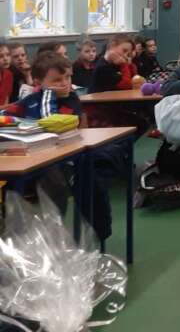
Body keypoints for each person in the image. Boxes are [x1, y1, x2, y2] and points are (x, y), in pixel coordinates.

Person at [4, 52, 126, 241]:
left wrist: (48, 93)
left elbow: (52, 122)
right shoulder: (32, 99)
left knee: (60, 182)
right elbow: (9, 114)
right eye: (57, 80)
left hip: (64, 159)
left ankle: (55, 231)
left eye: (68, 77)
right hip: (30, 158)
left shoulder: (71, 100)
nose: (65, 83)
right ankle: (15, 232)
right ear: (38, 82)